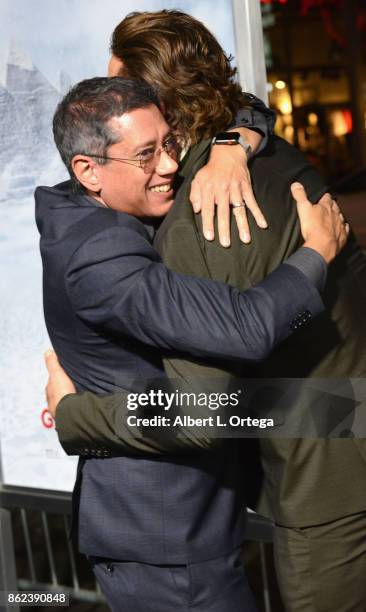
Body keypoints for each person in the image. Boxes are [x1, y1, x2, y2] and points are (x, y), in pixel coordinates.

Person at [44, 10, 366, 612]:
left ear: (163, 104)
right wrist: (237, 137)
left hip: (329, 481)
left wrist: (77, 414)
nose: (114, 97)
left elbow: (201, 413)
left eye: (128, 89)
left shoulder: (211, 208)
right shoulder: (258, 154)